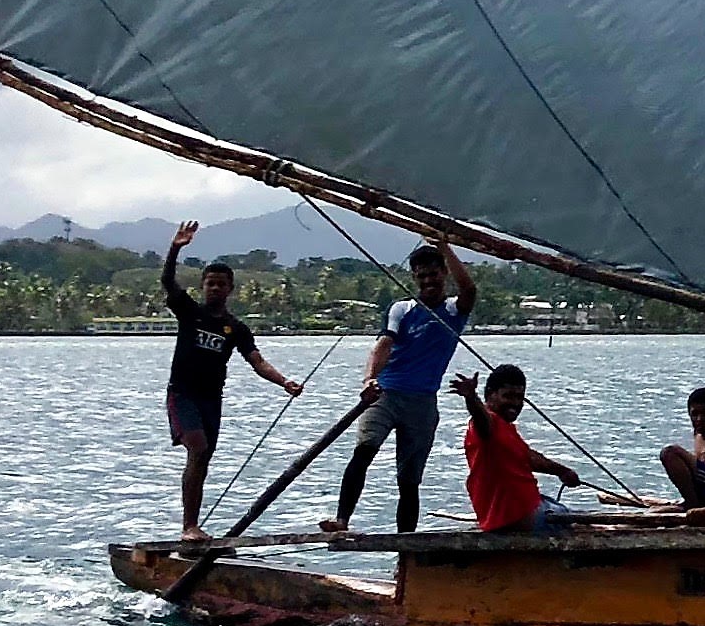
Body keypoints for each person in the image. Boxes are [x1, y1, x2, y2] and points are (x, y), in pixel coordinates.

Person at [324, 242, 478, 535]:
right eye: (421, 276)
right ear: (414, 278)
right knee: (364, 451)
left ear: (444, 273)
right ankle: (342, 519)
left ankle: (404, 544)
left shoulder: (453, 310)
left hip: (422, 402)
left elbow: (469, 290)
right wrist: (369, 378)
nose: (427, 281)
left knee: (409, 480)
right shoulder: (402, 309)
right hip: (387, 393)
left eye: (433, 274)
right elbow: (383, 344)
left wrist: (445, 247)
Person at [161, 220, 303, 537]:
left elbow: (258, 361)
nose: (215, 288)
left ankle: (193, 523)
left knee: (204, 457)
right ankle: (189, 526)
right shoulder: (189, 312)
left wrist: (285, 382)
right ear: (203, 286)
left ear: (230, 289)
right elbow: (168, 281)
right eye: (210, 283)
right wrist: (175, 248)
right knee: (196, 449)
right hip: (182, 394)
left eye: (221, 284)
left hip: (211, 399)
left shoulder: (236, 328)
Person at [457, 366, 582, 533]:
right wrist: (472, 398)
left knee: (562, 509)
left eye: (519, 398)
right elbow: (481, 420)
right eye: (508, 396)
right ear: (490, 394)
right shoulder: (486, 427)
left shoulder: (504, 429)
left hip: (529, 511)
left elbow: (529, 457)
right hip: (520, 518)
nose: (515, 403)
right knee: (577, 523)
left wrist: (563, 471)